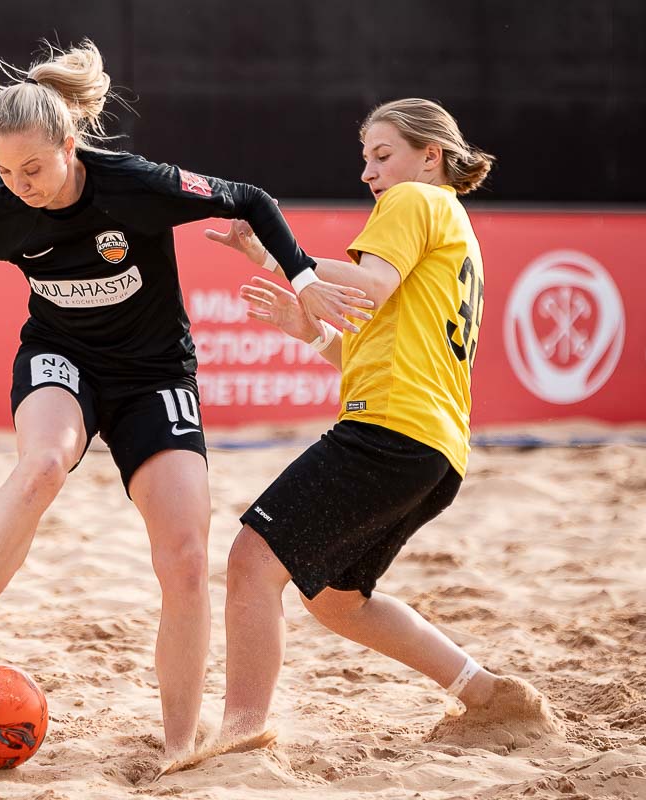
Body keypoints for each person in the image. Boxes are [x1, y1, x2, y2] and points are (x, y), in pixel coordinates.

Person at [0, 40, 370, 764]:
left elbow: (250, 199)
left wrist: (303, 279)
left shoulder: (133, 183)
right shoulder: (3, 209)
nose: (20, 185)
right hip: (62, 357)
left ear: (69, 145)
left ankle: (178, 747)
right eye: (4, 171)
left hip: (154, 374)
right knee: (43, 464)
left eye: (33, 168)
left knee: (185, 556)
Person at [194, 98, 561, 764]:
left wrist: (280, 254)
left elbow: (371, 284)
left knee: (251, 561)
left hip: (390, 433)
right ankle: (488, 695)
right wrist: (307, 328)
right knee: (339, 602)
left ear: (431, 156)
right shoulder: (453, 226)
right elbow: (373, 349)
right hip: (435, 450)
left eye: (383, 155)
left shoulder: (415, 201)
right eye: (365, 158)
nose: (368, 172)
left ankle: (241, 734)